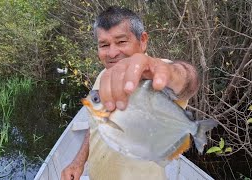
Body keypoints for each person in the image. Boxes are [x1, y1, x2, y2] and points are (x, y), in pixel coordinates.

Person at [61, 6, 199, 180]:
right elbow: (96, 124)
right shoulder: (103, 77)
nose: (112, 52)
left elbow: (189, 80)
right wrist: (78, 162)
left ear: (142, 41)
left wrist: (171, 72)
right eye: (104, 45)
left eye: (121, 42)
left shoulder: (157, 75)